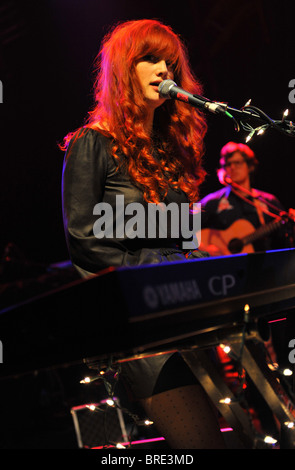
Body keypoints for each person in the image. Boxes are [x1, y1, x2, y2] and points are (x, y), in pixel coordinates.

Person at [61, 19, 225, 448]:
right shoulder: (92, 142)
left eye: (169, 62)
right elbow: (85, 241)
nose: (164, 70)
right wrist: (158, 279)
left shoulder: (171, 153)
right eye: (150, 59)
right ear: (123, 70)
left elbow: (182, 239)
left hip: (187, 316)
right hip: (143, 325)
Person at [199, 141, 289, 256]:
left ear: (249, 166)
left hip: (262, 268)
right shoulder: (212, 201)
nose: (232, 167)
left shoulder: (268, 201)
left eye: (237, 162)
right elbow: (186, 230)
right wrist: (204, 249)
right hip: (224, 270)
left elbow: (283, 239)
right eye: (228, 164)